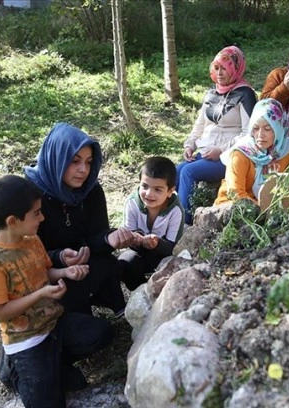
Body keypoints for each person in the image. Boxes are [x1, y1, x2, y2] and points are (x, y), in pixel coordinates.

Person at [0, 175, 113, 407]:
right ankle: (13, 370)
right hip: (26, 339)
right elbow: (0, 313)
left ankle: (53, 366)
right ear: (12, 221)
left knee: (102, 332)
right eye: (36, 213)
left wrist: (64, 273)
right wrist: (40, 295)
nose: (43, 217)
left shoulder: (31, 240)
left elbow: (45, 272)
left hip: (54, 324)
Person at [25, 123, 135, 315]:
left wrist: (108, 239)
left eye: (89, 161)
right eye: (75, 161)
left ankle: (108, 300)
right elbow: (25, 255)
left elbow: (95, 236)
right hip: (47, 276)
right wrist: (59, 256)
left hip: (82, 265)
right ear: (57, 158)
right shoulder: (30, 195)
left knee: (110, 265)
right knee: (92, 335)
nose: (83, 170)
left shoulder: (91, 190)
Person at [176, 45, 257, 225]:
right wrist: (189, 144)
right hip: (204, 152)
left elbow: (249, 133)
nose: (219, 73)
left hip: (229, 156)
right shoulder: (211, 93)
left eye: (225, 68)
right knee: (176, 170)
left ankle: (185, 225)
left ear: (236, 69)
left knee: (187, 172)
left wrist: (220, 150)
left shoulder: (245, 94)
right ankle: (166, 218)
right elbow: (199, 125)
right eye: (217, 68)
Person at [214, 98, 289, 206]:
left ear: (279, 129)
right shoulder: (240, 155)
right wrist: (263, 209)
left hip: (271, 211)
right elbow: (235, 193)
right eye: (255, 128)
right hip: (234, 209)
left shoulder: (287, 148)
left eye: (267, 129)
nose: (260, 135)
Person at [119, 156, 185, 290]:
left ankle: (160, 291)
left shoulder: (176, 210)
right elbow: (128, 236)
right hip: (138, 253)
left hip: (162, 255)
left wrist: (157, 243)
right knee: (124, 262)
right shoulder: (132, 203)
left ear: (170, 191)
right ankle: (139, 291)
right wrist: (136, 239)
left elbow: (172, 246)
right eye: (144, 186)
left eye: (158, 189)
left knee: (175, 266)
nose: (149, 194)